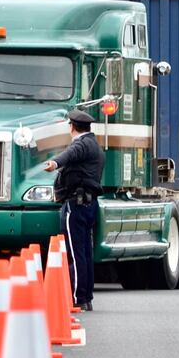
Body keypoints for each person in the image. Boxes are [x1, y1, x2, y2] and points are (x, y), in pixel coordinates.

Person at [43, 110, 104, 311]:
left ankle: (78, 297)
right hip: (88, 203)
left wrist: (55, 163)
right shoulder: (95, 145)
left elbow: (70, 154)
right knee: (84, 252)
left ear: (72, 127)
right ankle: (86, 296)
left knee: (75, 253)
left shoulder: (82, 144)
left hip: (75, 205)